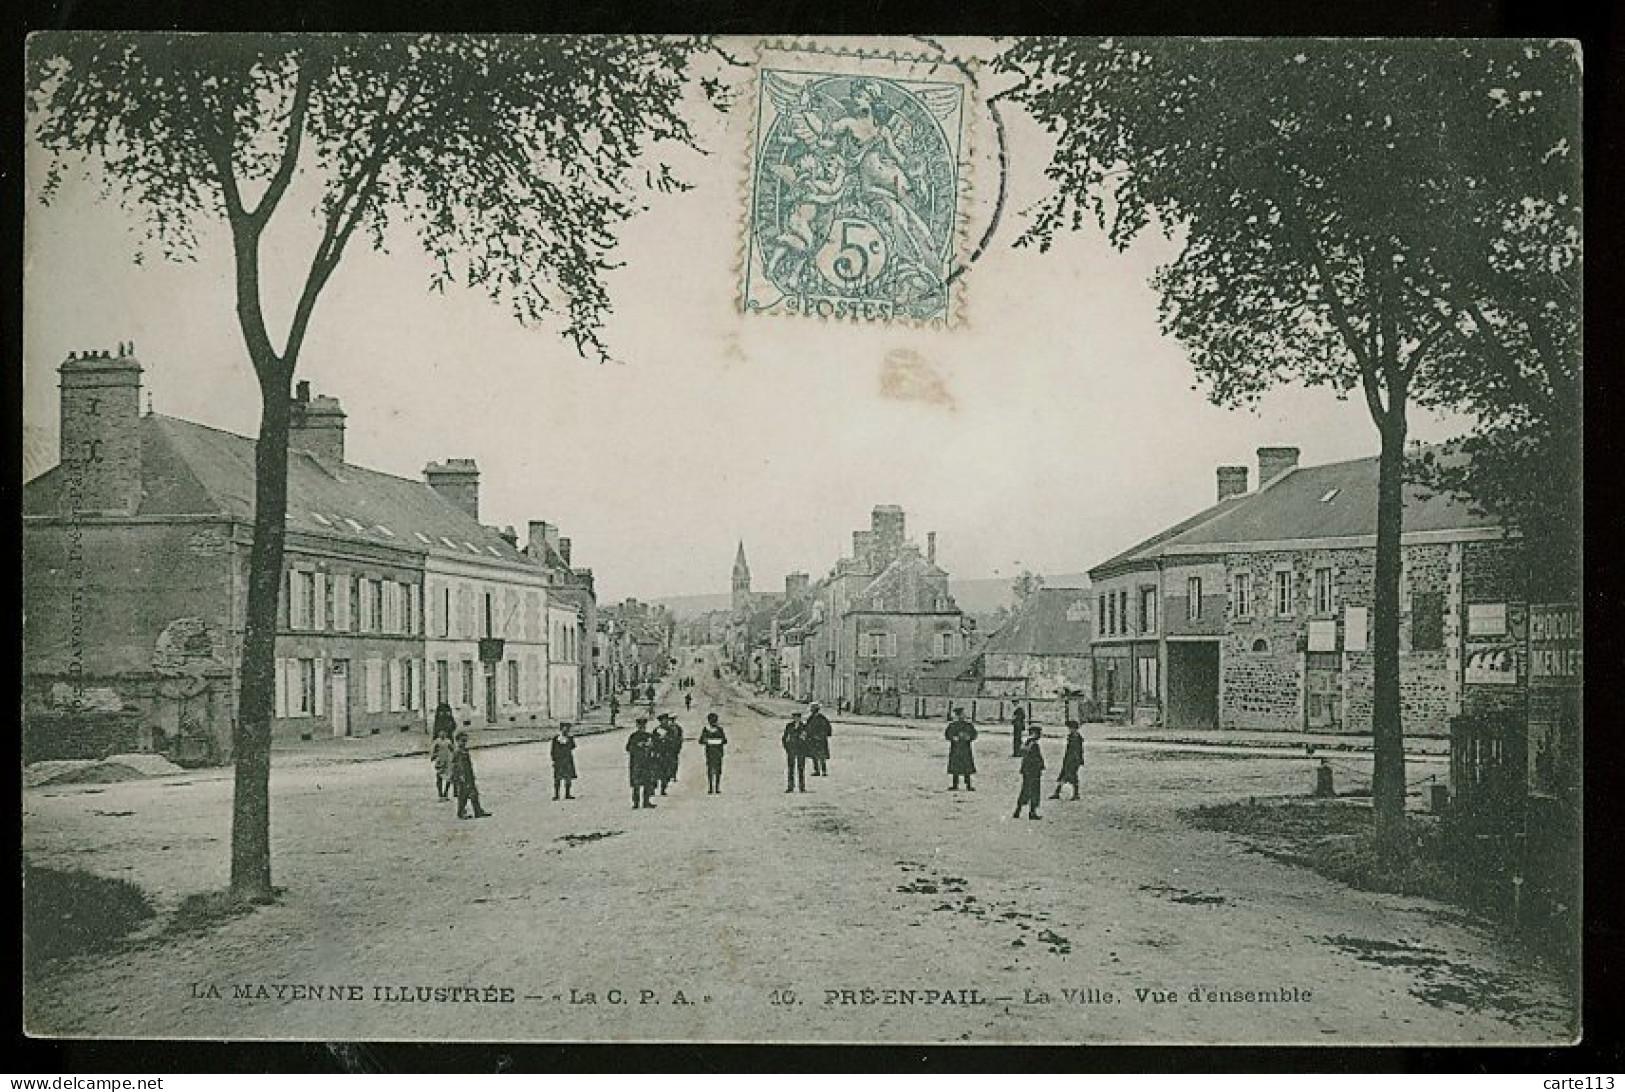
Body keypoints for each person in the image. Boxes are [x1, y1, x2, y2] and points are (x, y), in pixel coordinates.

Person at [450, 731, 492, 819]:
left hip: (468, 775)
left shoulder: (464, 750)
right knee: (463, 795)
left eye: (465, 741)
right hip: (462, 777)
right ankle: (461, 813)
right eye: (462, 741)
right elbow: (456, 766)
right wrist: (460, 777)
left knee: (474, 794)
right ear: (457, 741)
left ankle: (478, 811)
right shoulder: (458, 752)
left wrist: (471, 776)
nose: (464, 743)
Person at [1013, 726, 1045, 820]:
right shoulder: (1033, 743)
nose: (1040, 735)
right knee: (1034, 791)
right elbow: (1034, 758)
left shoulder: (1027, 742)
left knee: (1025, 790)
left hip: (1027, 770)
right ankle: (1032, 812)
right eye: (1038, 733)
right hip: (1033, 771)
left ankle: (1018, 810)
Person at [626, 717, 658, 809]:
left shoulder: (649, 736)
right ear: (637, 726)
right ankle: (636, 802)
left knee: (647, 782)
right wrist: (637, 746)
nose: (642, 727)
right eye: (640, 726)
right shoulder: (633, 736)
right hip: (636, 762)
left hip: (647, 762)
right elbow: (628, 748)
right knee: (636, 783)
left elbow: (655, 747)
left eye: (643, 726)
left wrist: (651, 747)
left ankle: (646, 802)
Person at [946, 707, 978, 791]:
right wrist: (953, 738)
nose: (963, 716)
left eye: (964, 714)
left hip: (965, 749)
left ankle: (968, 784)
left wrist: (969, 737)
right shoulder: (953, 725)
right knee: (955, 768)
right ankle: (955, 784)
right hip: (956, 749)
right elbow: (947, 734)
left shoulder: (968, 725)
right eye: (962, 714)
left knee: (966, 768)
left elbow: (974, 734)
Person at [1052, 720, 1084, 800]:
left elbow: (1079, 750)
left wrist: (1078, 760)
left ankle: (1075, 794)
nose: (1070, 730)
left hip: (1073, 760)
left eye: (1072, 728)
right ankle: (1058, 792)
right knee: (1064, 775)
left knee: (1071, 777)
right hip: (1068, 759)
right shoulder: (1071, 736)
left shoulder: (1077, 738)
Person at [699, 712, 728, 794]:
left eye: (714, 720)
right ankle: (711, 787)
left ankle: (717, 787)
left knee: (718, 770)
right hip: (710, 752)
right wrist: (706, 741)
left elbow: (725, 740)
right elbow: (701, 740)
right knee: (710, 769)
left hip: (718, 752)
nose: (713, 722)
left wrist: (719, 741)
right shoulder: (706, 729)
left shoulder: (720, 729)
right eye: (711, 720)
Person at [656, 712, 683, 794]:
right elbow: (653, 741)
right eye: (663, 721)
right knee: (657, 771)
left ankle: (663, 788)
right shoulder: (656, 730)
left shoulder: (671, 730)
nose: (665, 722)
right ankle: (654, 787)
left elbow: (675, 740)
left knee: (666, 771)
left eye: (666, 720)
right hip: (659, 753)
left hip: (668, 753)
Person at [782, 711, 809, 793]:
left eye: (797, 717)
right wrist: (787, 747)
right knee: (791, 769)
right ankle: (790, 786)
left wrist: (805, 748)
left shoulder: (804, 726)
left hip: (801, 750)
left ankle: (802, 787)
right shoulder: (789, 726)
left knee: (801, 769)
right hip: (791, 749)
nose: (796, 719)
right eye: (794, 717)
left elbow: (806, 738)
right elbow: (785, 737)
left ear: (800, 718)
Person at [551, 722, 578, 801]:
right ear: (561, 729)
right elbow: (552, 751)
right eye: (564, 728)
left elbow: (573, 746)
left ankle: (567, 794)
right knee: (557, 778)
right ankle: (556, 795)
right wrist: (554, 759)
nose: (565, 730)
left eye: (567, 729)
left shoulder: (570, 739)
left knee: (568, 778)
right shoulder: (556, 739)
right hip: (559, 761)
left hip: (567, 760)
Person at [804, 702, 833, 777]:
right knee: (814, 755)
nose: (812, 711)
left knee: (821, 755)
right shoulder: (810, 718)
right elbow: (807, 727)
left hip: (820, 739)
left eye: (813, 709)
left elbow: (826, 728)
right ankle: (816, 770)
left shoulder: (822, 718)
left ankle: (823, 770)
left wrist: (821, 736)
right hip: (812, 739)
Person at [430, 725, 456, 801]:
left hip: (448, 761)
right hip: (440, 761)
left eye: (444, 732)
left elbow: (453, 750)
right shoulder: (437, 742)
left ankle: (445, 793)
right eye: (441, 732)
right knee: (439, 777)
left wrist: (454, 758)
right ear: (438, 733)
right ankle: (440, 795)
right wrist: (434, 757)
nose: (443, 734)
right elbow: (433, 751)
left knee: (449, 778)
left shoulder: (448, 741)